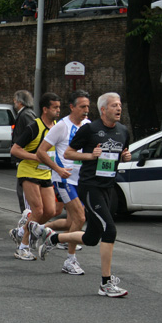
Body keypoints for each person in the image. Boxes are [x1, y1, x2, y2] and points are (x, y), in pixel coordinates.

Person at [29, 92, 132, 298]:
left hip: (108, 187)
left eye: (120, 105)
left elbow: (121, 153)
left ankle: (54, 238)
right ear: (103, 110)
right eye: (114, 106)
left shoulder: (123, 131)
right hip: (89, 186)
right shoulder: (90, 129)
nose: (118, 109)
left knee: (92, 237)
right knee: (109, 230)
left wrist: (125, 156)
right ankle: (106, 283)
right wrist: (89, 155)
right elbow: (68, 153)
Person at [35, 90, 90, 275]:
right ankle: (70, 260)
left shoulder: (88, 125)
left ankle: (41, 229)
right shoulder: (61, 126)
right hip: (64, 180)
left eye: (88, 107)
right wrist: (58, 169)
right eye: (82, 107)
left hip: (81, 180)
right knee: (80, 218)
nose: (86, 110)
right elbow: (41, 152)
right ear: (72, 107)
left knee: (72, 221)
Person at [10, 93, 60, 261]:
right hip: (29, 171)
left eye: (59, 107)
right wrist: (36, 157)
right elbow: (15, 149)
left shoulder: (57, 127)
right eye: (55, 108)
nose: (58, 111)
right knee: (37, 210)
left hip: (46, 172)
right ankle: (23, 247)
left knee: (50, 211)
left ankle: (21, 231)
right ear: (45, 109)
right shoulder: (34, 127)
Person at [11, 90, 36, 213]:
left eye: (15, 101)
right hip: (23, 158)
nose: (14, 104)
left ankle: (27, 219)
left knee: (23, 192)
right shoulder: (25, 114)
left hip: (25, 159)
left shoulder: (26, 115)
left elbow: (32, 133)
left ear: (20, 102)